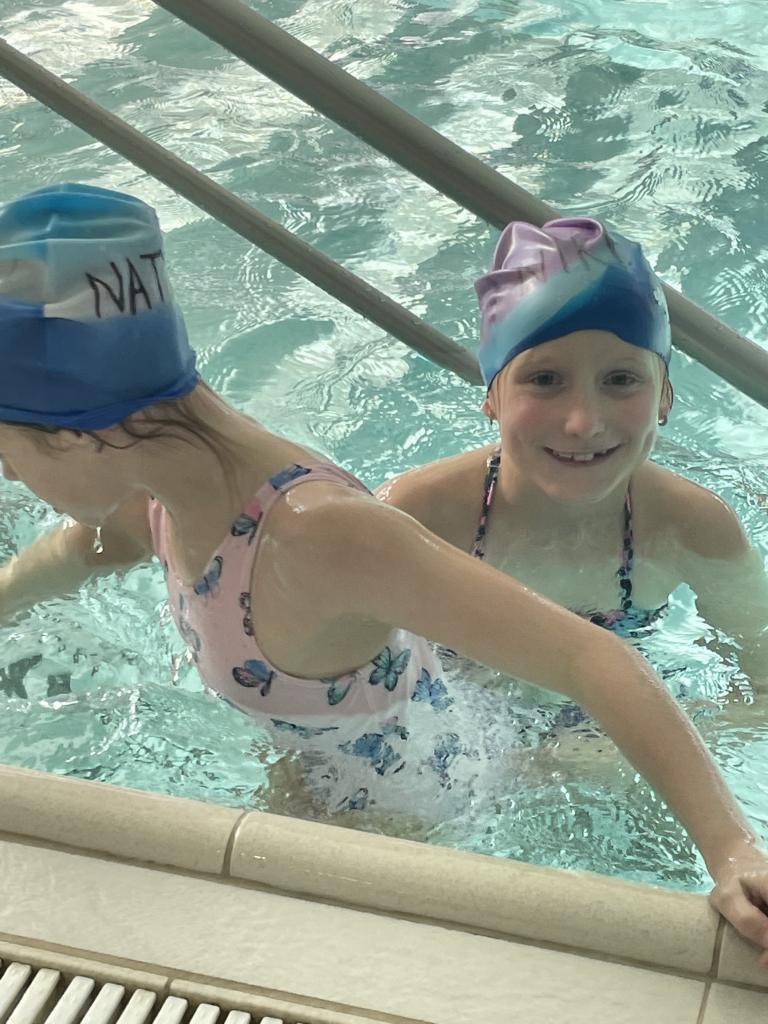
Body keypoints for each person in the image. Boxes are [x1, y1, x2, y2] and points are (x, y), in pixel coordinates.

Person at [0, 184, 766, 963]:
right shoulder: (167, 487)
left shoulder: (319, 535)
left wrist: (732, 850)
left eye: (6, 447)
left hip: (444, 823)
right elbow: (83, 548)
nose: (8, 472)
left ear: (73, 435)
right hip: (332, 778)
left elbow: (591, 657)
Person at [378, 218, 768, 699]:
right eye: (545, 380)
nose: (584, 423)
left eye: (620, 380)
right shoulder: (414, 518)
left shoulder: (692, 525)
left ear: (665, 398)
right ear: (492, 397)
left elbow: (763, 685)